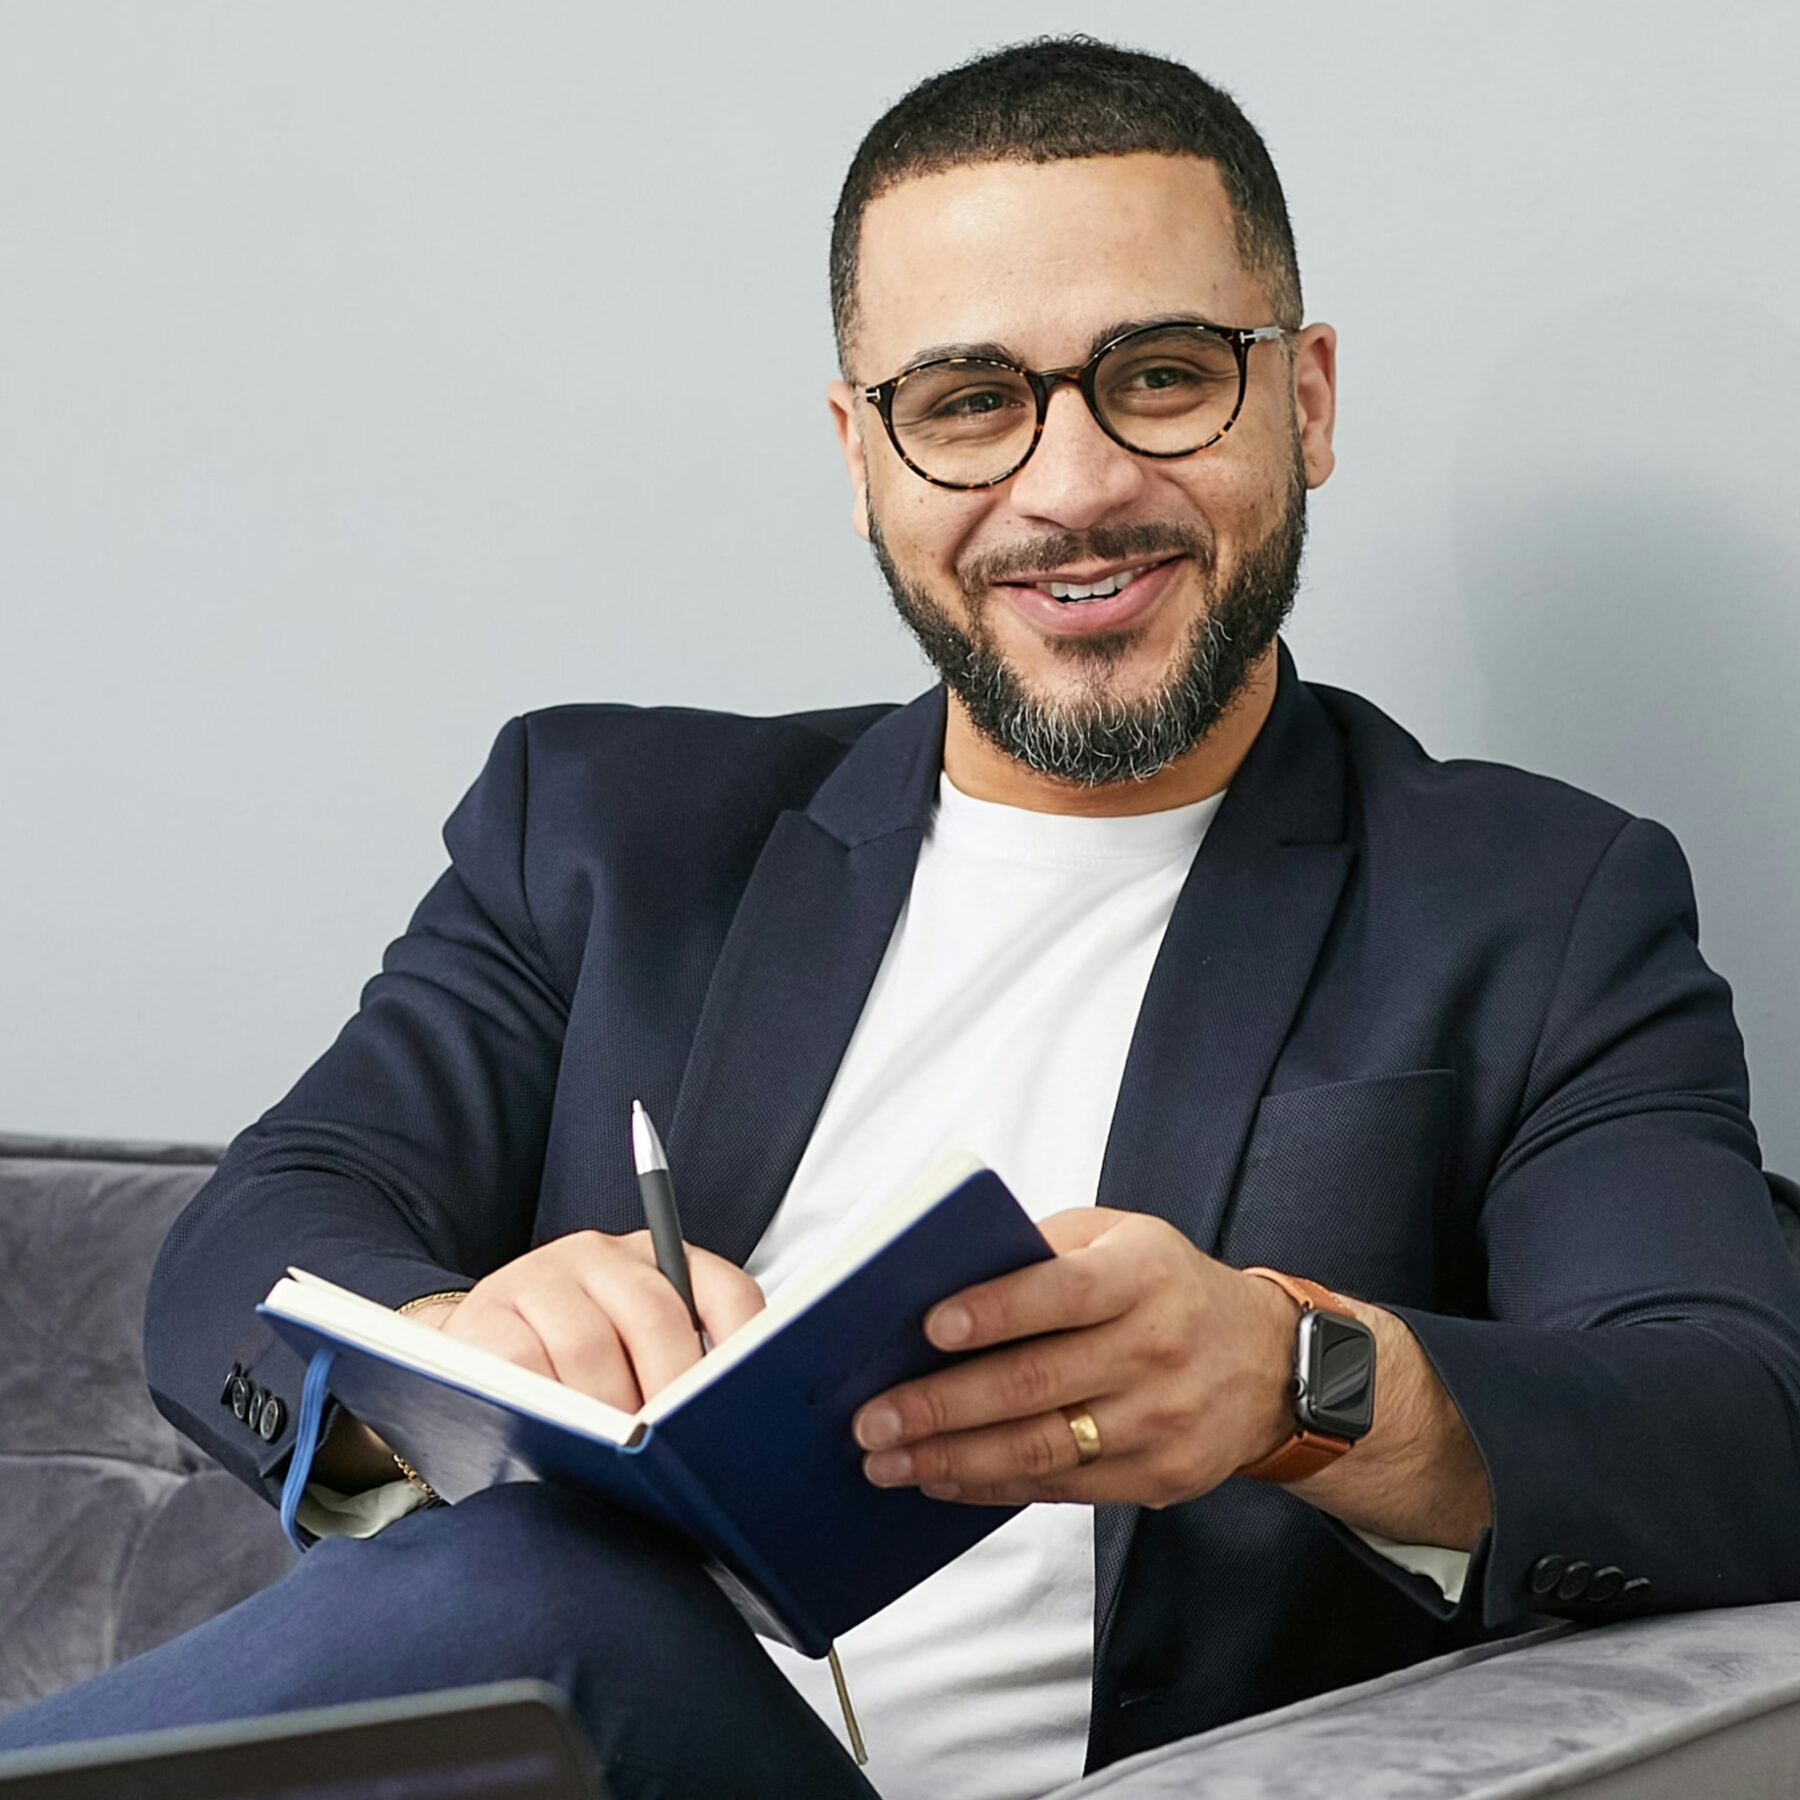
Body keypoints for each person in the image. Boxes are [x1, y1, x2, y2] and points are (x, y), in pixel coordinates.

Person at [5, 33, 1799, 1800]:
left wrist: (1298, 1380)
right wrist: (464, 1346)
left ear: (1305, 399)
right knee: (505, 1589)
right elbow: (259, 1238)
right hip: (527, 1751)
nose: (1073, 484)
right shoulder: (606, 830)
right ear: (862, 457)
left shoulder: (1541, 906)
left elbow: (1741, 1432)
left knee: (526, 1595)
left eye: (1163, 376)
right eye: (967, 405)